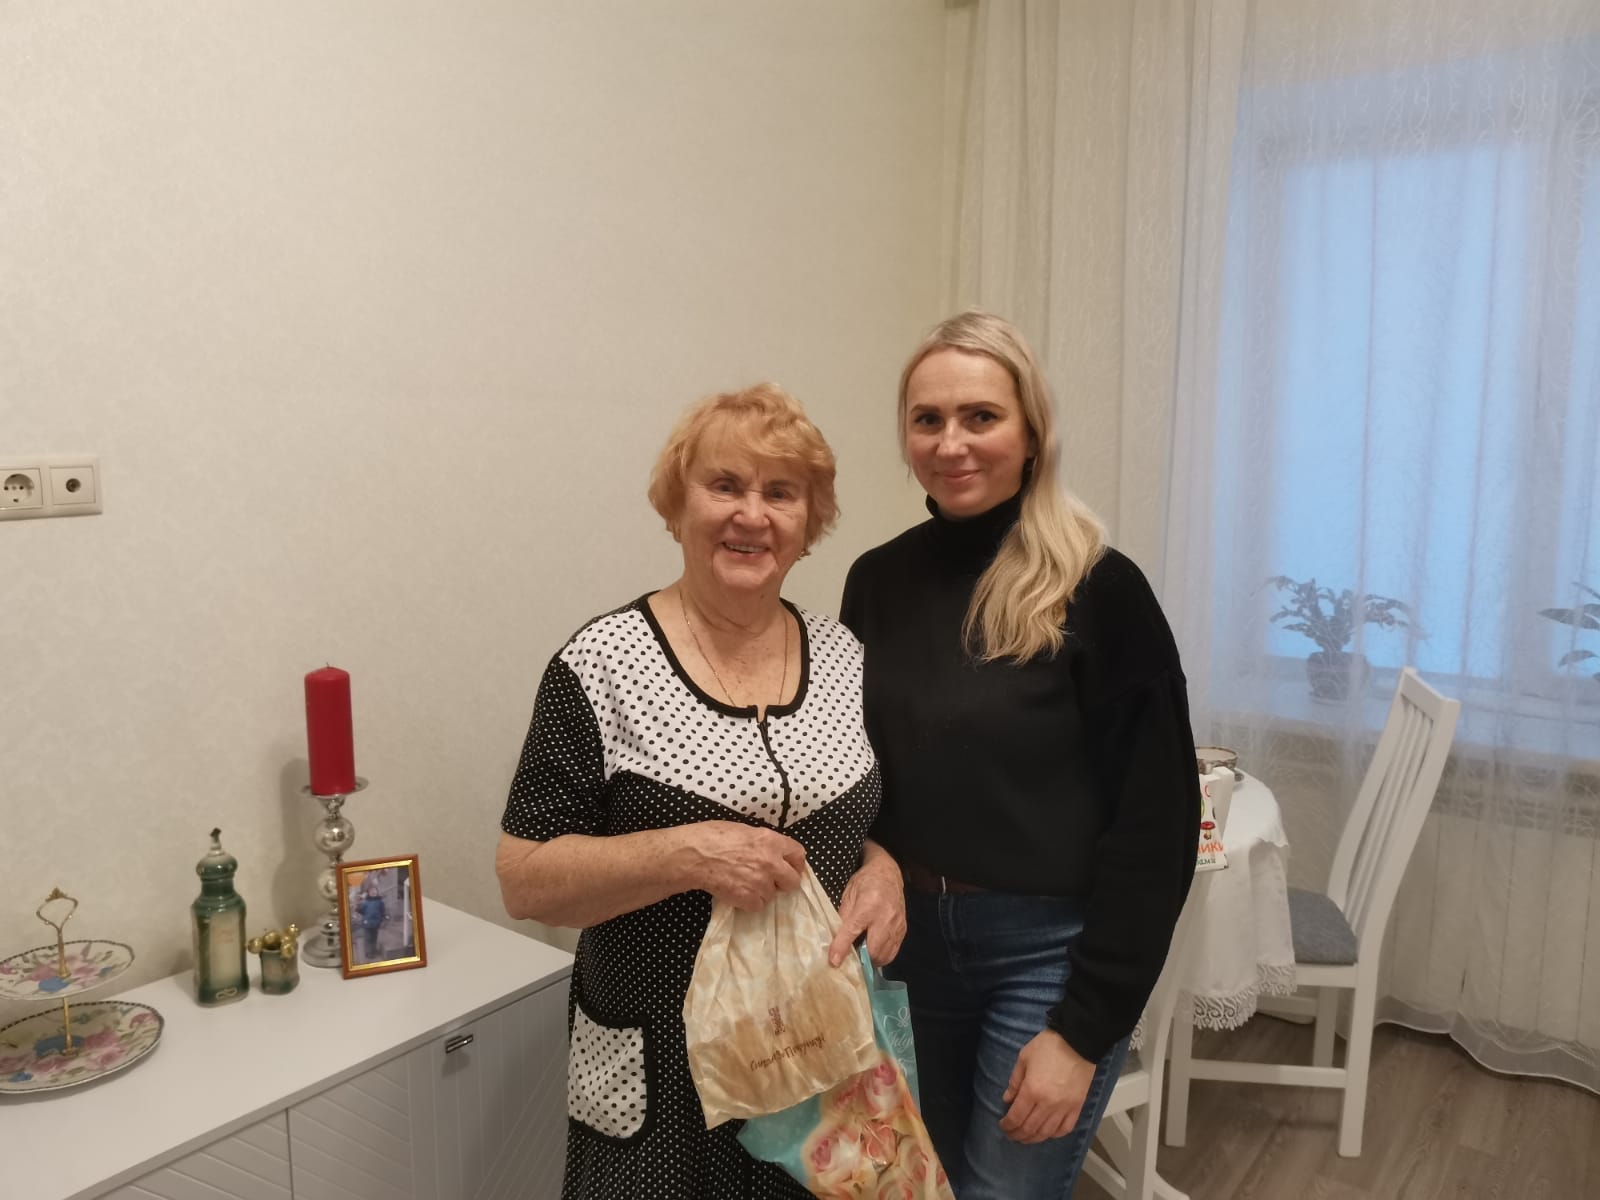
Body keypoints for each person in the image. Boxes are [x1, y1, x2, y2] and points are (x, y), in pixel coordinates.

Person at [495, 384, 904, 1200]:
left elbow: (852, 819)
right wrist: (685, 853)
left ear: (809, 524)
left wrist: (884, 870)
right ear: (676, 505)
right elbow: (524, 879)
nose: (752, 515)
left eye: (780, 493)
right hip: (660, 1075)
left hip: (812, 1065)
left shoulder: (845, 657)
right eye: (725, 485)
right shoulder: (602, 663)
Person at [837, 311, 1201, 1199]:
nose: (951, 443)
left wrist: (1081, 1032)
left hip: (1046, 955)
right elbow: (855, 770)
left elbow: (1158, 827)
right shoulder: (875, 581)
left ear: (1032, 433)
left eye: (981, 417)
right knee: (915, 1185)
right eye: (928, 420)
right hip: (909, 949)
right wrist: (874, 860)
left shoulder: (1100, 588)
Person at [356, 880, 384, 962]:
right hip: (367, 924)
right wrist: (358, 904)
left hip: (376, 923)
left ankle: (373, 951)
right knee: (368, 938)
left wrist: (381, 919)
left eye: (375, 890)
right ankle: (368, 952)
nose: (373, 892)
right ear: (368, 893)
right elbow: (360, 910)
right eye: (371, 891)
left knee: (374, 938)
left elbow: (382, 911)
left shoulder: (380, 902)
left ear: (377, 892)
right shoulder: (366, 902)